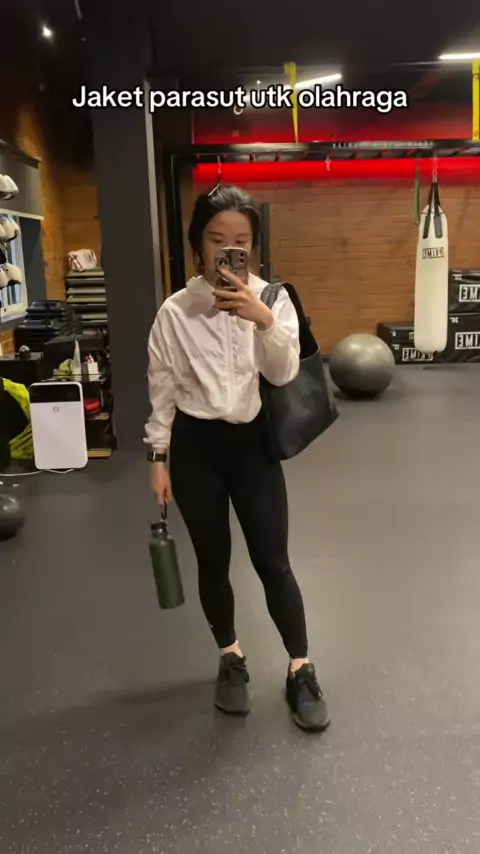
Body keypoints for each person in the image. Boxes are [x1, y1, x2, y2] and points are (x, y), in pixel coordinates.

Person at [145, 184, 329, 732]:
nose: (229, 249)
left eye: (241, 240)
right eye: (216, 238)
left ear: (253, 246)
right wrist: (158, 459)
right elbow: (163, 390)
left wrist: (262, 320)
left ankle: (300, 667)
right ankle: (230, 656)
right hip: (195, 450)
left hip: (253, 448)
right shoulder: (175, 312)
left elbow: (283, 373)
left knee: (274, 562)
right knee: (212, 560)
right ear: (197, 246)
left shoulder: (273, 300)